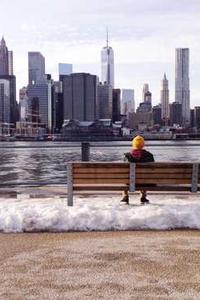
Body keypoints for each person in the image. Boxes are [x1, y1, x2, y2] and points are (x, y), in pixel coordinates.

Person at [121, 135, 154, 205]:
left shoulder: (127, 156)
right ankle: (143, 196)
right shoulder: (149, 156)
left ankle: (125, 196)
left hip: (129, 183)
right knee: (146, 177)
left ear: (133, 144)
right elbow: (152, 170)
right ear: (143, 145)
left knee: (124, 177)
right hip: (145, 182)